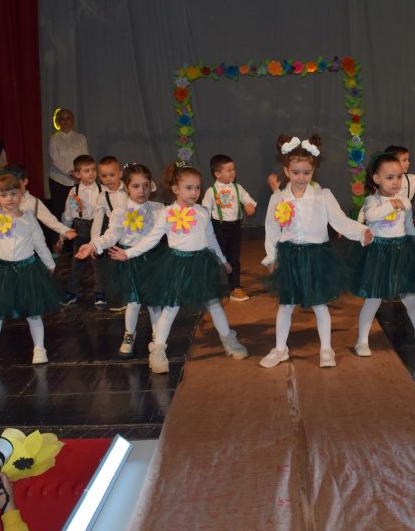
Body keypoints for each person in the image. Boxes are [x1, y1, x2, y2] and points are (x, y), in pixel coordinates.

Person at [119, 163, 248, 373]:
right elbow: (151, 240)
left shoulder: (202, 212)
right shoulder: (167, 213)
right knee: (171, 307)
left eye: (197, 187)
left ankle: (228, 340)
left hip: (201, 263)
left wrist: (223, 260)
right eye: (189, 188)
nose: (194, 192)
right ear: (175, 189)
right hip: (178, 265)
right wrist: (128, 253)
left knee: (214, 304)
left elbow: (210, 239)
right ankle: (158, 350)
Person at [260, 135, 372, 369]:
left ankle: (326, 348)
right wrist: (271, 257)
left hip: (316, 256)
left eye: (307, 172)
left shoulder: (322, 196)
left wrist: (361, 231)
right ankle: (280, 348)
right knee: (286, 304)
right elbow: (271, 230)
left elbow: (339, 220)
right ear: (286, 171)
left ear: (313, 172)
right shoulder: (278, 198)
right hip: (289, 256)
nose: (301, 177)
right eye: (296, 172)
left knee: (320, 304)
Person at [0, 167, 61, 368]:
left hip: (27, 270)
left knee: (33, 312)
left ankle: (39, 348)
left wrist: (50, 264)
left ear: (21, 194)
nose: (9, 199)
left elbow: (39, 242)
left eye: (14, 194)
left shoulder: (28, 217)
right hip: (1, 271)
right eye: (4, 195)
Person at [350, 153, 415, 357]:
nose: (396, 182)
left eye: (399, 177)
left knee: (410, 296)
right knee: (373, 298)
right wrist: (391, 204)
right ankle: (362, 340)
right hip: (379, 254)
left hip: (401, 252)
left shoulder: (405, 201)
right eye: (390, 177)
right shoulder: (372, 201)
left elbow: (408, 226)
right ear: (376, 179)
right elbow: (371, 216)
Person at [77, 164, 166, 357]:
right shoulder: (120, 212)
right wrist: (93, 245)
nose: (141, 190)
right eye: (136, 186)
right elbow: (111, 235)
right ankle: (129, 334)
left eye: (145, 185)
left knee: (154, 302)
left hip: (152, 259)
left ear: (151, 185)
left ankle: (158, 339)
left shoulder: (158, 209)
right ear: (126, 187)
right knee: (133, 302)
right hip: (128, 261)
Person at [201, 154, 257, 302]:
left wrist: (249, 204)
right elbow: (205, 212)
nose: (233, 172)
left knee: (234, 258)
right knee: (216, 258)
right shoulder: (211, 191)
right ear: (217, 174)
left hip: (235, 228)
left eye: (234, 169)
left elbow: (247, 198)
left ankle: (235, 288)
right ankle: (213, 286)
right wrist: (206, 230)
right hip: (219, 228)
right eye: (229, 170)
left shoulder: (237, 187)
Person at [60, 155, 102, 306]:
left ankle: (100, 292)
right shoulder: (74, 191)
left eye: (93, 170)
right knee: (77, 261)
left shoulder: (102, 189)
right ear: (77, 174)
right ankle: (72, 292)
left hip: (98, 227)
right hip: (81, 227)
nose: (91, 173)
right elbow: (68, 213)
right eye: (86, 170)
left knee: (98, 261)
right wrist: (63, 232)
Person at [90, 156, 128, 310]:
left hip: (132, 231)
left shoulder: (129, 188)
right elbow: (98, 220)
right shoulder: (102, 196)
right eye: (104, 176)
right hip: (115, 233)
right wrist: (94, 243)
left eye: (112, 175)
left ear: (120, 173)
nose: (108, 179)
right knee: (115, 266)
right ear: (99, 177)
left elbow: (149, 189)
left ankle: (135, 296)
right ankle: (123, 298)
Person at [47, 108, 89, 217]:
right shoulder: (54, 138)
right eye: (62, 118)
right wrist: (70, 172)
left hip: (77, 180)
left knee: (78, 209)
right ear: (58, 122)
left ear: (72, 121)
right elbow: (55, 159)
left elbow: (85, 158)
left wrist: (80, 174)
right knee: (59, 209)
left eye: (68, 118)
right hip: (59, 180)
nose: (65, 121)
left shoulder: (81, 138)